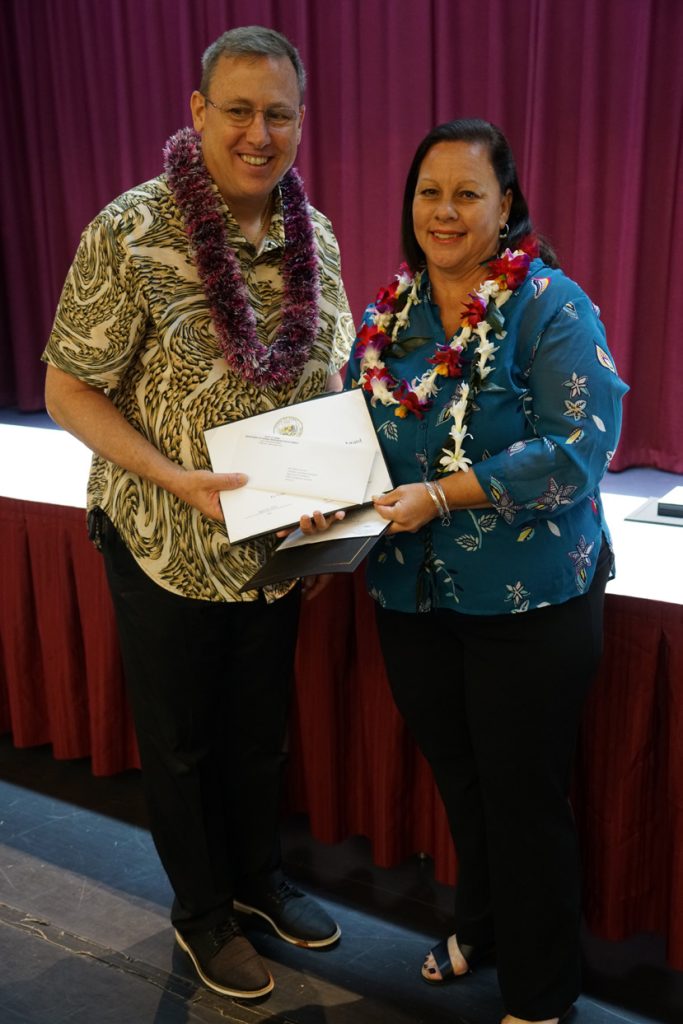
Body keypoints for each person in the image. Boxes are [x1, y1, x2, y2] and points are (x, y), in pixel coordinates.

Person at [42, 25, 354, 1001]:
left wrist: (331, 491)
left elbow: (325, 374)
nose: (257, 132)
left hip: (274, 539)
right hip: (160, 532)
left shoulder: (318, 234)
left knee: (258, 727)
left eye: (277, 114)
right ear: (197, 113)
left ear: (300, 123)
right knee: (182, 737)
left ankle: (256, 880)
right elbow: (67, 386)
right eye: (239, 110)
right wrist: (170, 474)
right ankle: (200, 914)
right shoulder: (131, 229)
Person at [305, 118, 628, 1024]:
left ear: (506, 206)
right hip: (411, 592)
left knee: (524, 799)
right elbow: (360, 437)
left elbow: (577, 450)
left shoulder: (551, 306)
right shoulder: (390, 316)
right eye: (427, 193)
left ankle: (540, 992)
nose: (442, 212)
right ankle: (481, 926)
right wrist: (326, 494)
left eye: (466, 193)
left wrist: (445, 495)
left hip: (528, 601)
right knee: (461, 777)